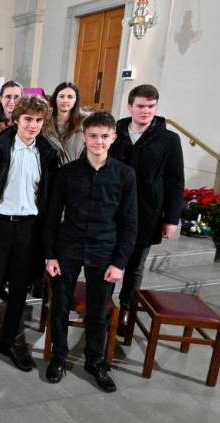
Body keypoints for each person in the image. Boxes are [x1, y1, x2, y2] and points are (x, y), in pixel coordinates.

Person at [43, 112, 138, 393]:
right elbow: (52, 217)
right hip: (68, 247)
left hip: (104, 249)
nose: (99, 141)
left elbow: (129, 222)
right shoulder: (66, 173)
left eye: (104, 136)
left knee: (98, 312)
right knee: (59, 306)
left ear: (114, 138)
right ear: (84, 137)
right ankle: (59, 357)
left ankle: (94, 361)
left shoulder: (125, 175)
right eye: (93, 136)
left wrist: (120, 262)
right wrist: (50, 255)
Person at [0, 95, 59, 373]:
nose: (33, 125)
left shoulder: (47, 154)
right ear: (16, 119)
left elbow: (49, 198)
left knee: (19, 290)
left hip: (28, 229)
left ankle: (9, 342)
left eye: (39, 121)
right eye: (28, 119)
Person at [109, 84, 184, 328]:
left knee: (135, 266)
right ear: (130, 106)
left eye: (151, 106)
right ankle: (104, 306)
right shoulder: (114, 132)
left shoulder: (168, 139)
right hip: (113, 209)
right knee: (108, 259)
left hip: (147, 211)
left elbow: (175, 180)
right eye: (141, 106)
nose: (146, 111)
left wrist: (171, 219)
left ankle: (126, 309)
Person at [42, 82, 86, 166]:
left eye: (70, 97)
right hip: (48, 170)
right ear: (55, 98)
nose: (65, 100)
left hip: (73, 170)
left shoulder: (84, 123)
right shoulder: (43, 121)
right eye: (61, 96)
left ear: (76, 100)